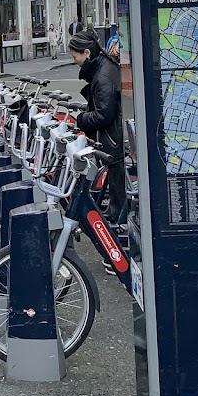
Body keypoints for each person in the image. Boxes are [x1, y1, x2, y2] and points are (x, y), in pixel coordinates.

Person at [69, 28, 123, 273]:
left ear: (87, 52)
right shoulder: (103, 69)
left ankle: (118, 251)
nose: (75, 61)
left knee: (118, 196)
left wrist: (80, 119)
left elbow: (104, 114)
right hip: (112, 140)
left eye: (76, 56)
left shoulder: (102, 77)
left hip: (112, 141)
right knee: (115, 189)